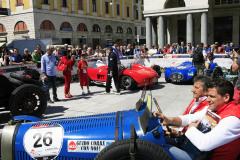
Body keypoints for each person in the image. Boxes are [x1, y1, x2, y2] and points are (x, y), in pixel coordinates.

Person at [154, 78, 240, 160]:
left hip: (204, 156)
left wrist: (191, 128)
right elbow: (190, 118)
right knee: (157, 140)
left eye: (212, 96)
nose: (208, 100)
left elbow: (205, 144)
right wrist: (168, 120)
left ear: (226, 97)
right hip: (196, 151)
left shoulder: (232, 119)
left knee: (157, 148)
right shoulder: (215, 107)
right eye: (207, 96)